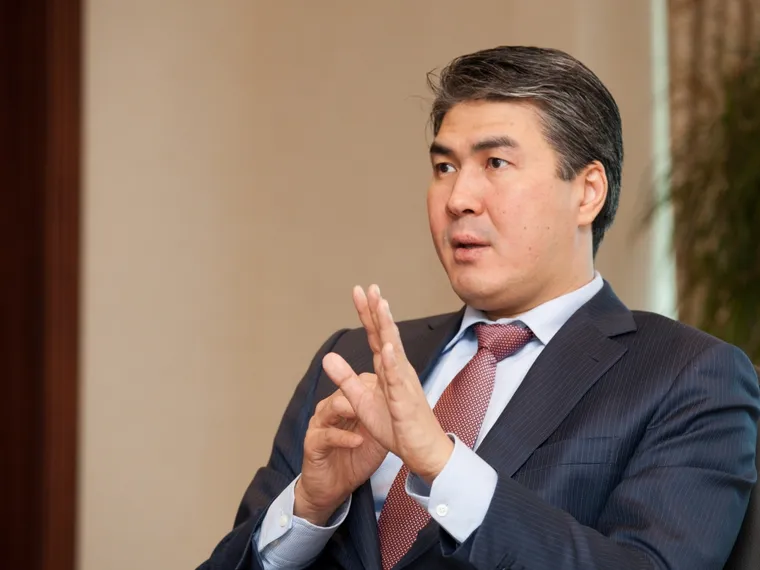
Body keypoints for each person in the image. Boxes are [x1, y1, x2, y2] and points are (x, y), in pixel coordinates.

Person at [198, 46, 759, 570]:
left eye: (495, 163)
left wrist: (443, 465)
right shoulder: (352, 360)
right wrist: (309, 508)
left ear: (587, 191)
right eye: (444, 167)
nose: (458, 198)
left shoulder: (689, 374)